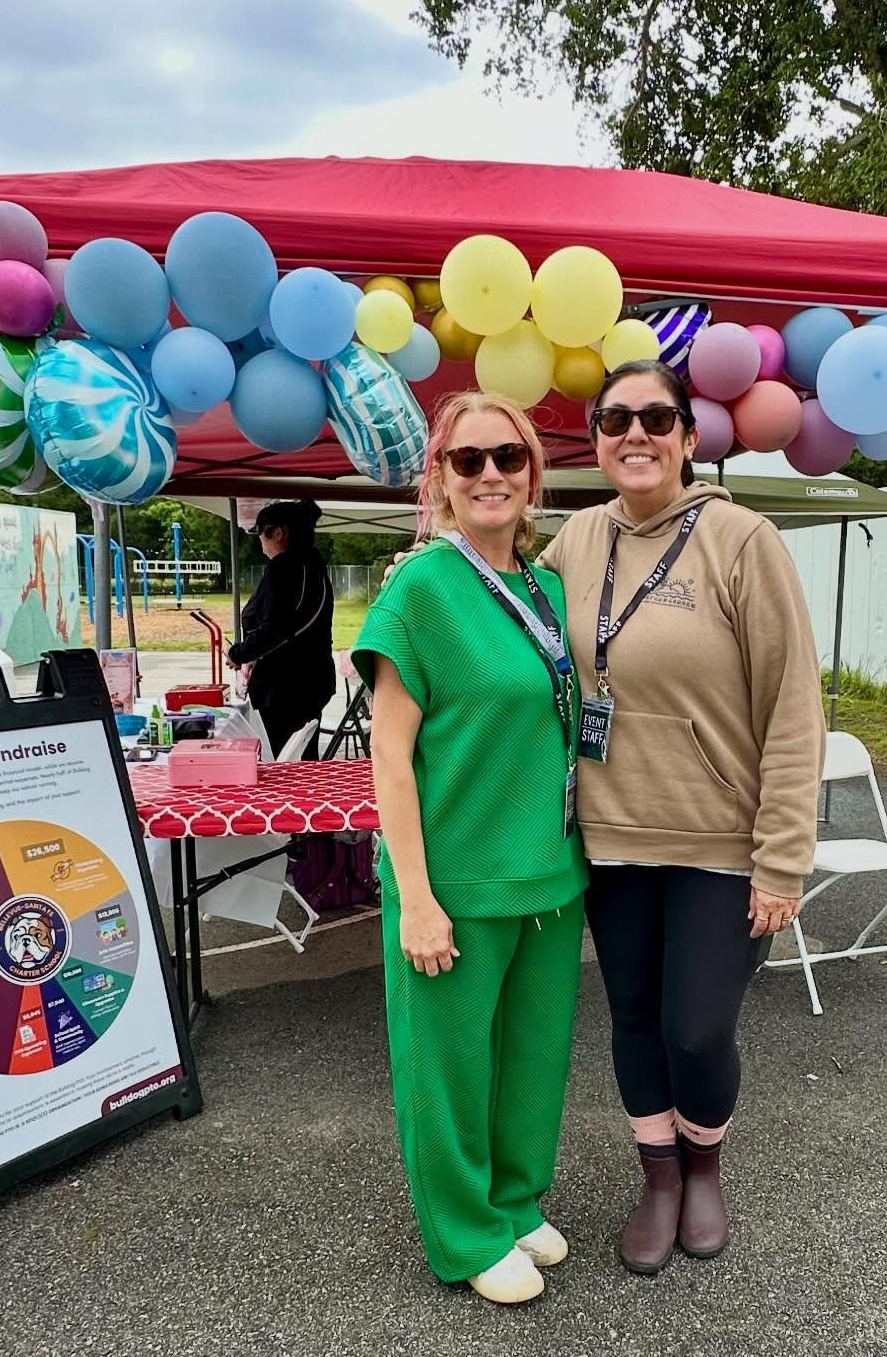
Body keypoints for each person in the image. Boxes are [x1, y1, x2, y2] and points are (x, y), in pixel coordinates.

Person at [535, 358, 825, 1275]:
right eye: (615, 419)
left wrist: (784, 858)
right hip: (613, 839)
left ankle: (705, 1167)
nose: (636, 435)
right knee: (631, 1012)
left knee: (697, 1025)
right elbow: (501, 617)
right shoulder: (575, 541)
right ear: (595, 438)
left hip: (721, 844)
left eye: (656, 418)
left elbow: (792, 705)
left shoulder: (742, 540)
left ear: (690, 438)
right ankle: (658, 1178)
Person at [352, 392, 588, 1305]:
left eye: (509, 458)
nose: (490, 473)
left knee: (532, 1056)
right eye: (468, 460)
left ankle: (516, 1200)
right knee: (448, 1068)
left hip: (549, 872)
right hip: (453, 877)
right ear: (440, 479)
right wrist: (413, 893)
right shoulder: (419, 590)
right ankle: (463, 1231)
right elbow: (391, 757)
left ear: (533, 477)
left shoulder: (547, 588)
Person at [226, 499, 335, 760]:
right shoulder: (313, 565)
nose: (260, 541)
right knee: (303, 758)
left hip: (285, 686)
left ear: (278, 533)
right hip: (310, 681)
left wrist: (239, 653)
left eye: (261, 533)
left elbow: (276, 628)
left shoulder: (285, 568)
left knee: (283, 763)